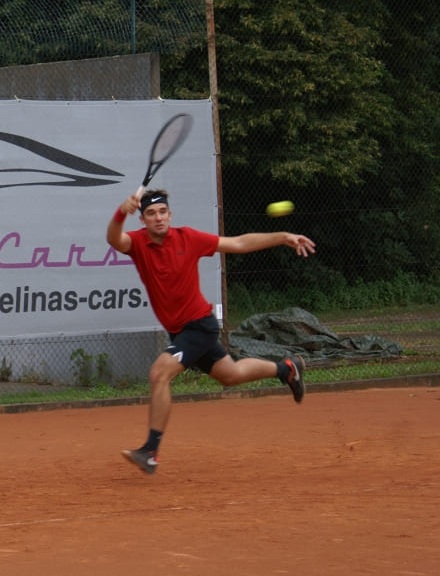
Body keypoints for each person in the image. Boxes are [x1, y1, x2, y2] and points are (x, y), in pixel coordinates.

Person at [106, 189, 316, 475]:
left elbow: (239, 242)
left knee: (159, 373)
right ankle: (287, 369)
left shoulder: (188, 238)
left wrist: (282, 237)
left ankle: (150, 451)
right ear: (142, 219)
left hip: (199, 325)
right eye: (151, 213)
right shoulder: (138, 244)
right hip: (180, 332)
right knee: (231, 375)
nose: (159, 218)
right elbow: (113, 238)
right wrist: (121, 211)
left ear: (170, 214)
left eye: (163, 212)